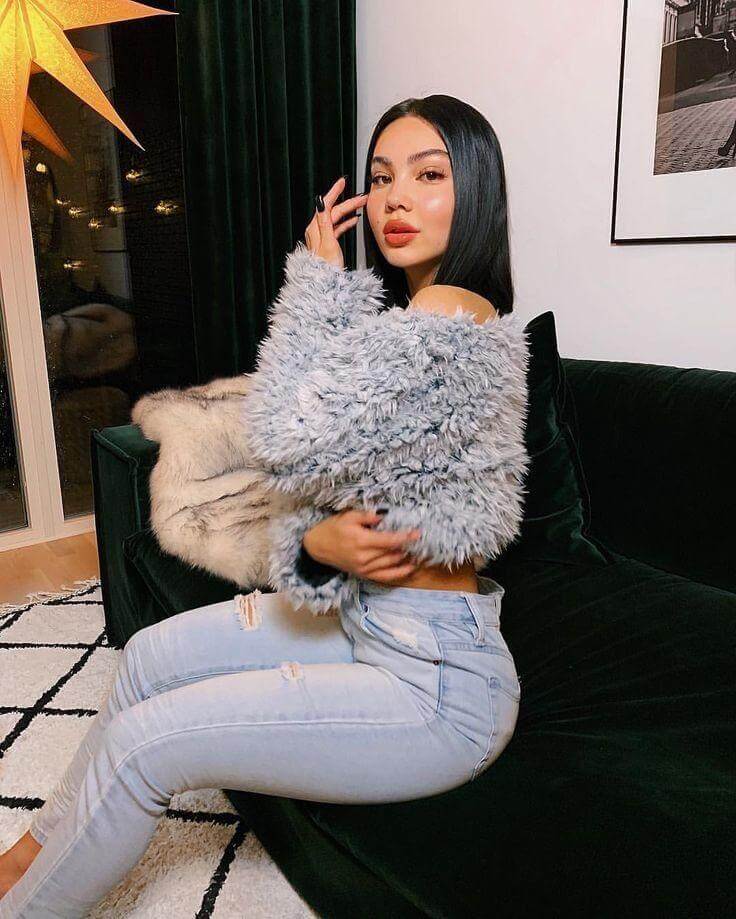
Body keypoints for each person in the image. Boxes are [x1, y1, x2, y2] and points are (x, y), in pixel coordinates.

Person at [0, 95, 525, 916]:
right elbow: (331, 493)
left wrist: (315, 280)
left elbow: (285, 435)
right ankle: (32, 851)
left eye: (429, 176)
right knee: (146, 659)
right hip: (368, 619)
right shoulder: (416, 320)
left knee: (146, 745)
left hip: (435, 685)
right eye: (383, 176)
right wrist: (320, 544)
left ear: (479, 191)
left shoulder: (449, 314)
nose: (395, 199)